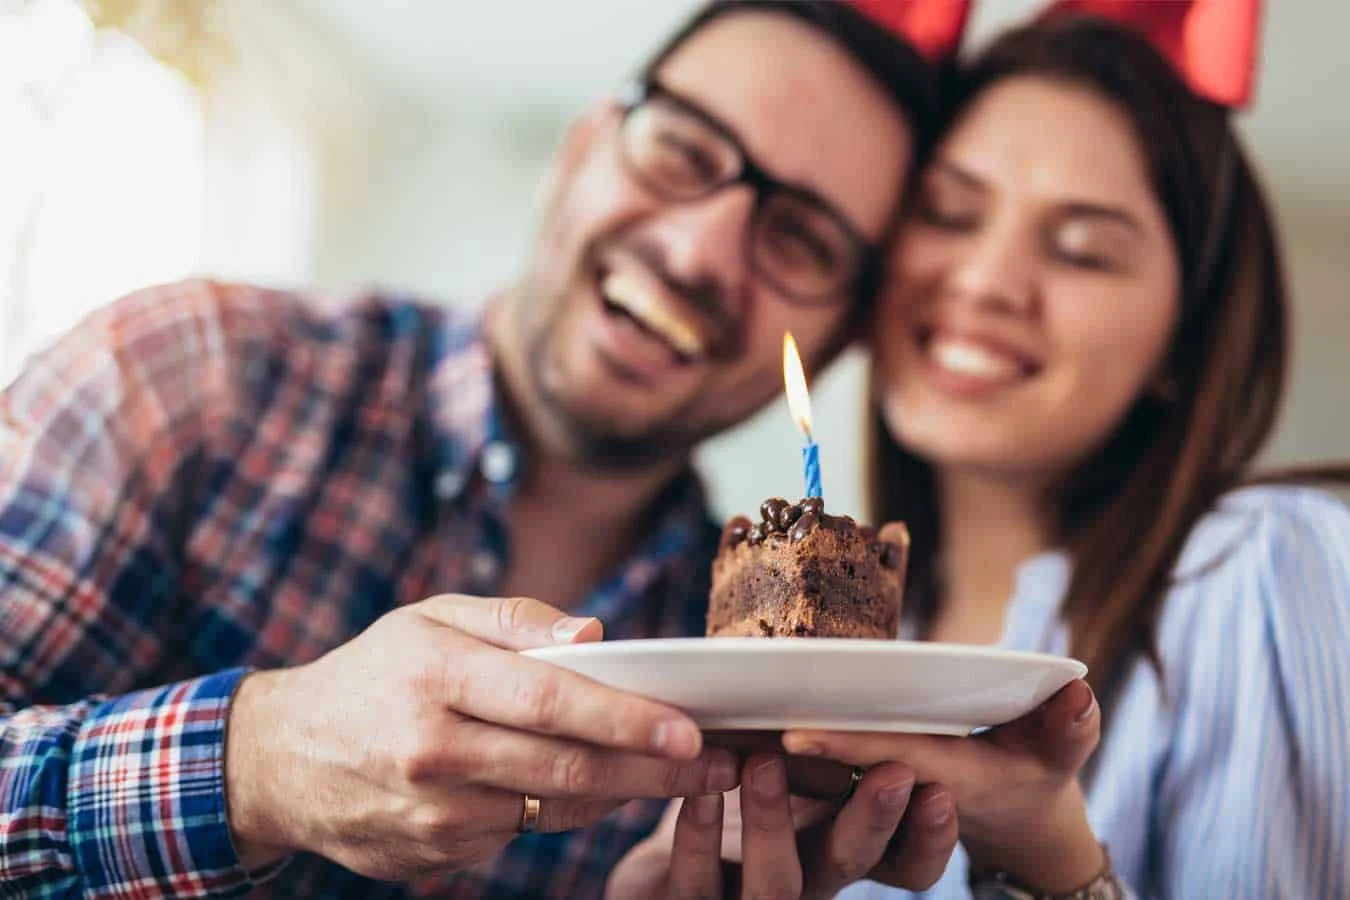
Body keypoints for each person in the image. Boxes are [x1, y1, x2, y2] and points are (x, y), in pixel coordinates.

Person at [0, 2, 980, 897]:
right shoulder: (193, 376)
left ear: (841, 336)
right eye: (683, 152)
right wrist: (257, 764)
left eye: (802, 239)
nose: (698, 253)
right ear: (586, 144)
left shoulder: (757, 690)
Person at [612, 3, 1350, 898]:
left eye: (1081, 251)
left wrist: (1050, 857)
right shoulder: (860, 636)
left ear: (1182, 344)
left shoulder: (1263, 567)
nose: (985, 281)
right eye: (951, 213)